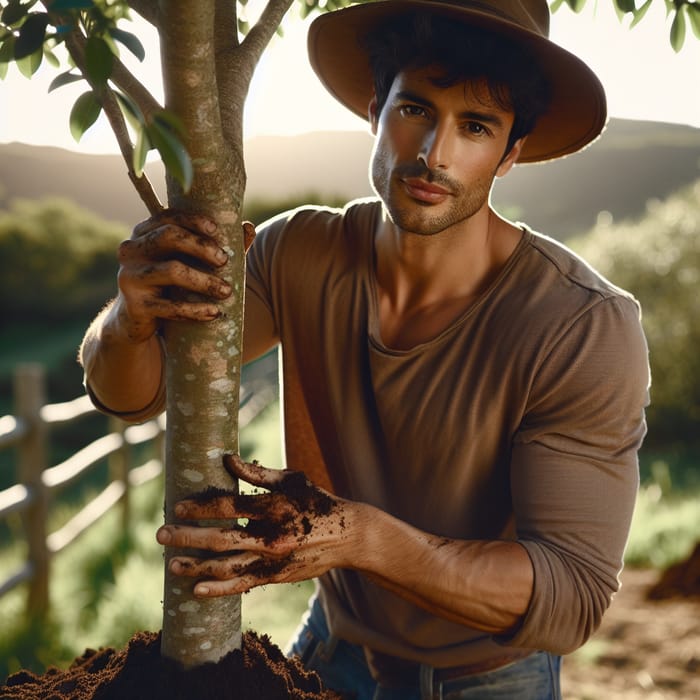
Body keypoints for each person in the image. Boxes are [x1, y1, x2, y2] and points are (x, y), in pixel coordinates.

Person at [79, 1, 650, 698]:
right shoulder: (296, 253)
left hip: (488, 676)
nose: (433, 153)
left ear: (511, 154)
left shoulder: (581, 325)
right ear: (376, 108)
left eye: (475, 126)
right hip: (338, 642)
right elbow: (135, 393)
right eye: (415, 109)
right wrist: (130, 318)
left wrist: (361, 539)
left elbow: (571, 597)